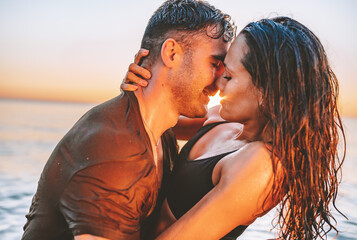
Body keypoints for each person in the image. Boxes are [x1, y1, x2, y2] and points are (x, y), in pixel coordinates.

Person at [21, 1, 236, 239]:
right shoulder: (115, 152)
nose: (220, 81)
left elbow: (235, 118)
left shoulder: (159, 127)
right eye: (215, 63)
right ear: (171, 53)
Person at [122, 16, 346, 239]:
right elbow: (152, 122)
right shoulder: (223, 117)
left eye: (228, 76)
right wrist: (143, 84)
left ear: (266, 92)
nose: (217, 84)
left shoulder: (263, 167)